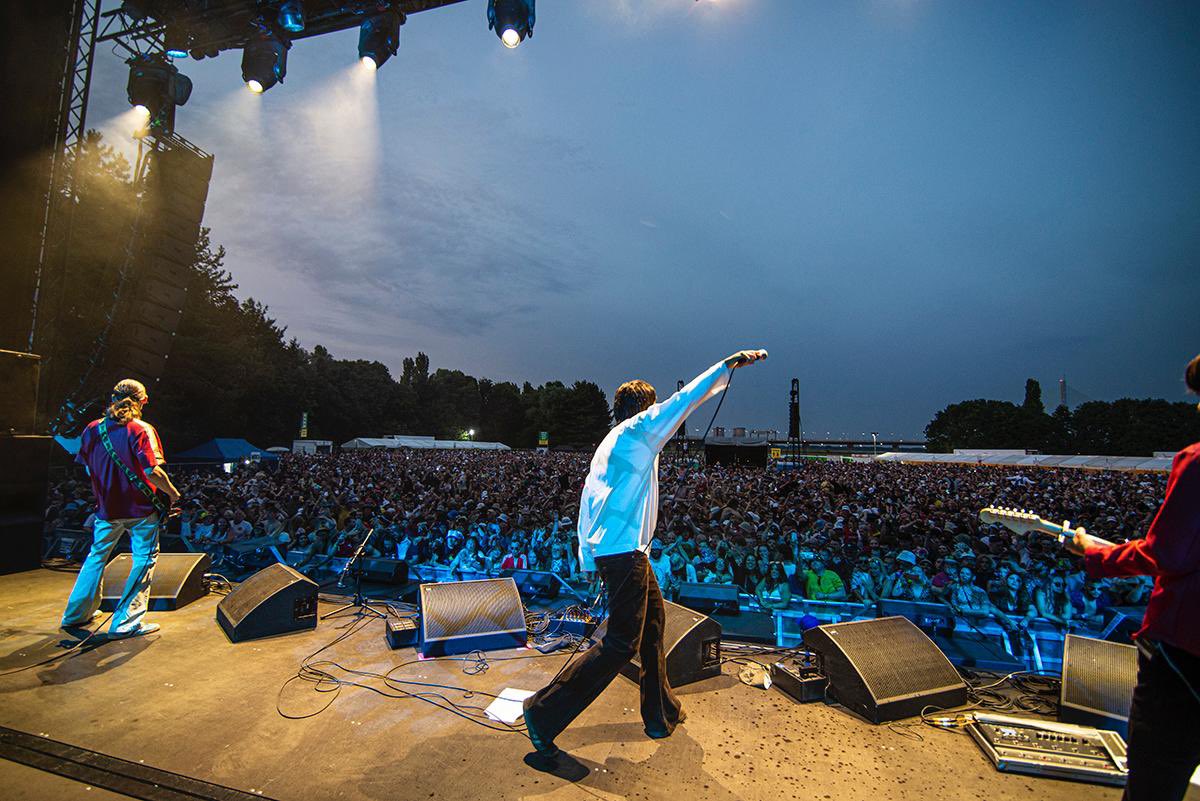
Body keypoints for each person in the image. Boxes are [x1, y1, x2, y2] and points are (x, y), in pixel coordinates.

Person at [521, 349, 768, 761]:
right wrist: (727, 365)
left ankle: (660, 712)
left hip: (622, 552)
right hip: (624, 556)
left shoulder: (611, 442)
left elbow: (588, 505)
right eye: (652, 407)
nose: (658, 413)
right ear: (642, 408)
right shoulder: (637, 431)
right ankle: (543, 714)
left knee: (653, 627)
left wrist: (586, 558)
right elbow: (685, 399)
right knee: (620, 643)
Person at [1066, 354, 1200, 801]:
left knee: (1157, 779)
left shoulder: (1197, 462)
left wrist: (1094, 555)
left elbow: (1168, 552)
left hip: (1187, 649)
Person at [61, 379, 180, 638]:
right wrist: (172, 493)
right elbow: (152, 470)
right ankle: (126, 623)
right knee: (144, 559)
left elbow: (88, 467)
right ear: (143, 402)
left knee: (96, 556)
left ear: (112, 398)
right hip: (140, 510)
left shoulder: (92, 429)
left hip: (105, 509)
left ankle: (76, 614)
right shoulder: (141, 429)